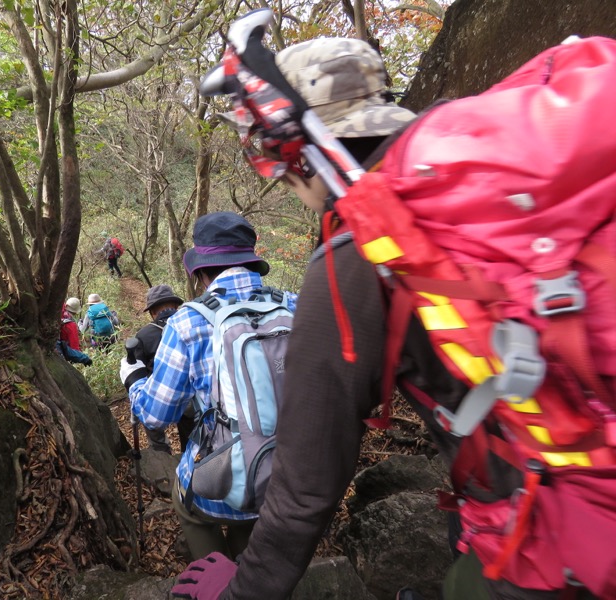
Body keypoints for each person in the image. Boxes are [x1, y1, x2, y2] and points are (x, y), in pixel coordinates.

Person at [171, 38, 496, 600]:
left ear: (298, 152)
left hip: (539, 535)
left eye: (281, 168)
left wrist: (239, 590)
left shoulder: (357, 253)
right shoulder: (476, 185)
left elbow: (304, 494)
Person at [120, 212, 297, 561]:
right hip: (288, 472)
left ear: (201, 272)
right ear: (251, 261)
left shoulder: (188, 320)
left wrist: (134, 380)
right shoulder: (294, 304)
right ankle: (248, 565)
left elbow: (155, 416)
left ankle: (215, 572)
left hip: (222, 481)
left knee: (188, 505)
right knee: (253, 525)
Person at [130, 284, 197, 454]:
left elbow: (139, 371)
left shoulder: (144, 335)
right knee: (190, 437)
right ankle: (189, 458)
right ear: (176, 306)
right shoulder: (192, 326)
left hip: (160, 396)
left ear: (152, 312)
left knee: (152, 422)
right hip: (191, 397)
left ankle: (162, 456)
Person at [57, 297, 92, 365]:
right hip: (64, 352)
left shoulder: (58, 314)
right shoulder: (71, 325)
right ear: (76, 312)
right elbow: (74, 345)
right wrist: (80, 357)